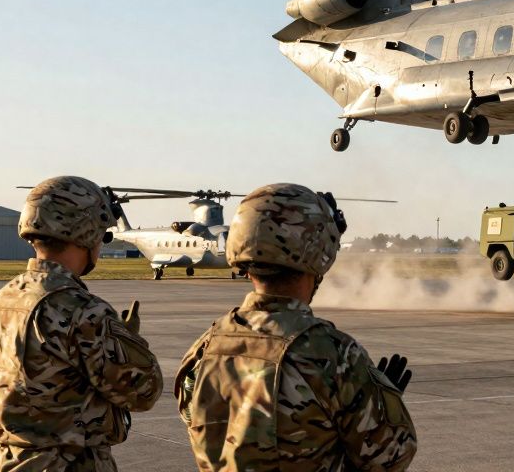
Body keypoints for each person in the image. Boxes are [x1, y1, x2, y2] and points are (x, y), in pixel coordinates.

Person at [175, 183, 418, 471]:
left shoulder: (203, 350)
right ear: (317, 255)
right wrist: (385, 406)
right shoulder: (335, 356)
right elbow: (392, 457)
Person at [0, 175, 162, 471]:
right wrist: (131, 346)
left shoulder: (2, 299)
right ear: (87, 232)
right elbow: (143, 393)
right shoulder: (82, 309)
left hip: (9, 460)